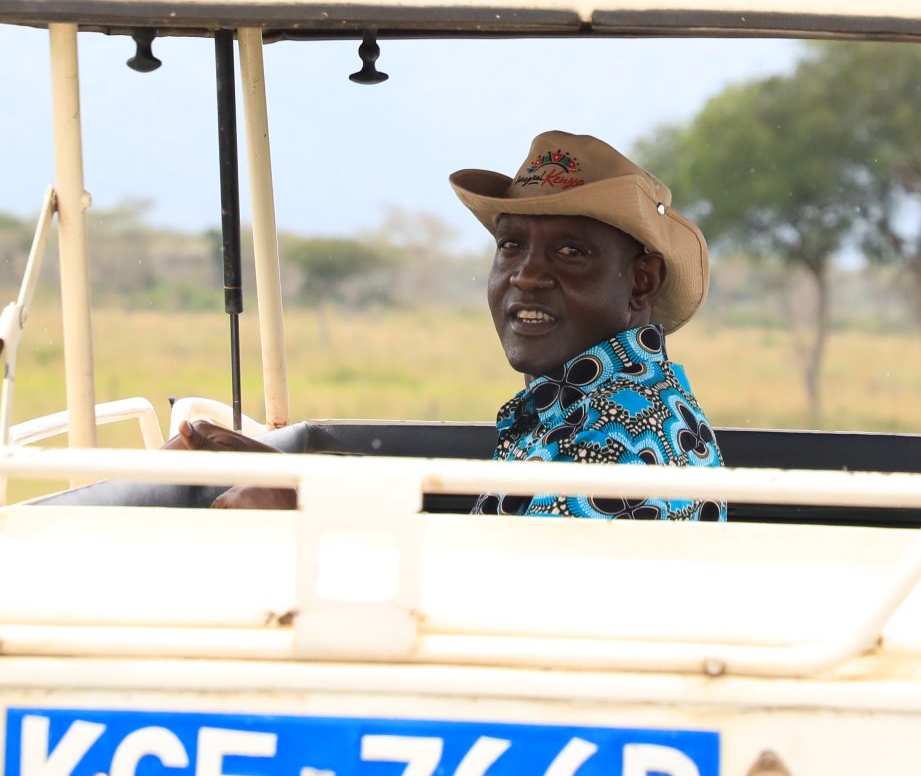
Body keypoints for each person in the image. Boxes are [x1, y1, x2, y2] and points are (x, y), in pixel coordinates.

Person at [168, 130, 725, 519]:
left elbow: (505, 622)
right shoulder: (598, 402)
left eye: (571, 252)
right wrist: (305, 484)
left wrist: (305, 514)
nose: (527, 276)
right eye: (511, 246)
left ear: (642, 282)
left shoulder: (610, 440)